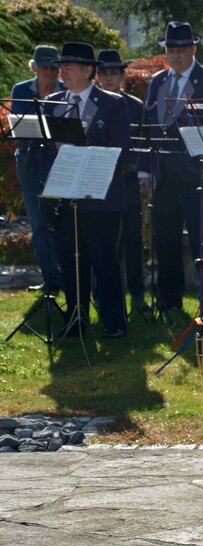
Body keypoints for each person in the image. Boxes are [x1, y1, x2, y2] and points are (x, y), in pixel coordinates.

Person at [29, 42, 130, 338]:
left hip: (99, 198)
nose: (62, 71)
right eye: (62, 66)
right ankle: (76, 319)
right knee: (70, 262)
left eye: (69, 66)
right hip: (62, 198)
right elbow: (38, 148)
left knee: (104, 260)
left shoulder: (113, 104)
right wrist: (52, 176)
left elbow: (120, 149)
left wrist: (87, 170)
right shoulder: (52, 103)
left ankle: (114, 322)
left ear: (88, 71)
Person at [139, 21, 203, 314]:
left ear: (193, 49)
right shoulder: (157, 81)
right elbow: (148, 126)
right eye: (171, 50)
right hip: (163, 175)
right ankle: (170, 299)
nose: (175, 55)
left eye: (181, 49)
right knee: (165, 239)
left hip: (196, 175)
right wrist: (145, 170)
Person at [95, 49, 147, 316]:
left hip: (127, 180)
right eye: (104, 73)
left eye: (113, 73)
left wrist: (140, 170)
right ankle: (102, 293)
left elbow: (143, 144)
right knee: (103, 241)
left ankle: (137, 292)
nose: (108, 78)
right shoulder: (93, 103)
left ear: (122, 76)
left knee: (132, 238)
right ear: (97, 76)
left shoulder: (135, 106)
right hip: (99, 182)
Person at [11, 45, 64, 294]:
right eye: (45, 68)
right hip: (30, 162)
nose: (50, 73)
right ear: (35, 68)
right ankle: (50, 279)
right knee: (39, 223)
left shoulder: (66, 91)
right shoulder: (21, 90)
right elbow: (21, 132)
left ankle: (67, 275)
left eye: (54, 68)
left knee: (62, 222)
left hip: (59, 161)